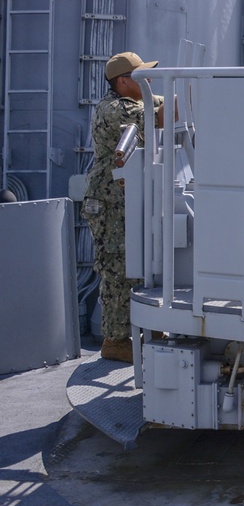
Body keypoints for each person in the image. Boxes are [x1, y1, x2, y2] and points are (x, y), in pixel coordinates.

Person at [81, 52, 162, 363]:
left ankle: (140, 330)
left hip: (125, 198)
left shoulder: (135, 98)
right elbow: (160, 117)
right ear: (124, 81)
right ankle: (115, 341)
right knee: (117, 270)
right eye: (142, 76)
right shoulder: (114, 109)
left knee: (138, 264)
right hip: (109, 202)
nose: (149, 81)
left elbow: (165, 103)